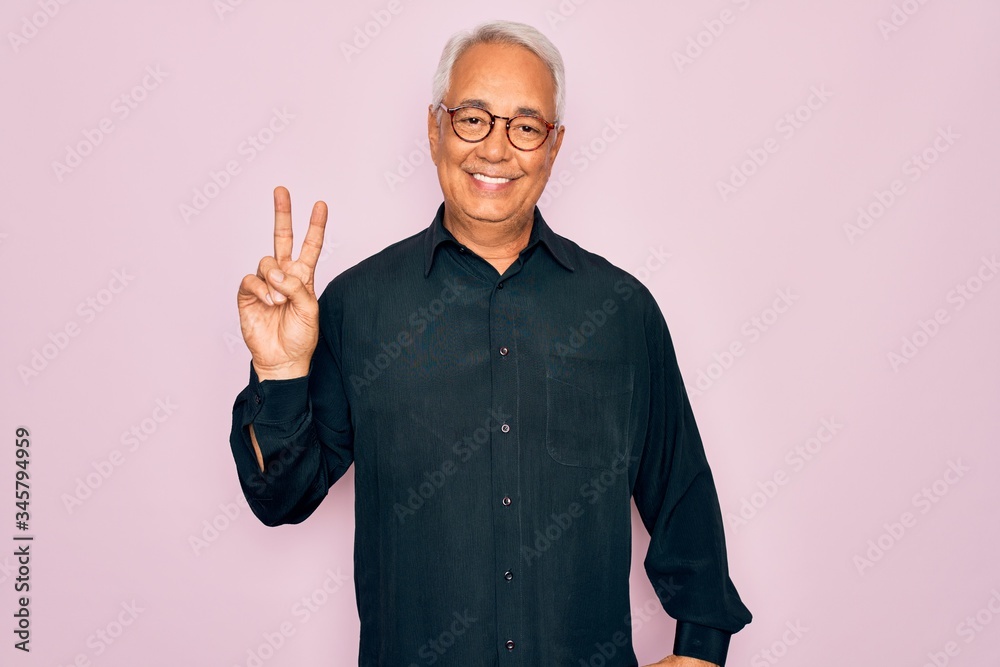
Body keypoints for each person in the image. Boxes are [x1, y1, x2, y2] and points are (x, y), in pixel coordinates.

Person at [230, 19, 751, 667]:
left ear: (553, 146)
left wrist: (701, 648)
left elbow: (682, 491)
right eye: (473, 118)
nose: (497, 150)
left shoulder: (619, 311)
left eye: (526, 126)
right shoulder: (357, 306)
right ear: (434, 129)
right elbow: (282, 498)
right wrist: (279, 372)